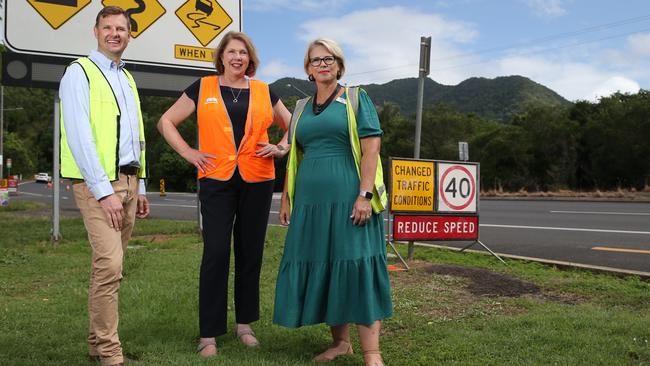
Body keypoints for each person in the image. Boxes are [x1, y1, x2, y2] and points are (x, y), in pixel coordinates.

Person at [157, 31, 291, 357]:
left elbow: (294, 124)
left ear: (250, 59)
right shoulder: (202, 87)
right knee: (216, 253)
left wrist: (280, 147)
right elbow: (166, 121)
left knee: (250, 253)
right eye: (232, 52)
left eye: (243, 53)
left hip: (257, 179)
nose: (237, 58)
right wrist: (189, 153)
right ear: (222, 56)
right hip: (216, 180)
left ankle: (245, 325)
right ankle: (208, 334)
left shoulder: (264, 91)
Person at [274, 38, 392, 366]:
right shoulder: (299, 108)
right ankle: (340, 343)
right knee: (327, 266)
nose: (323, 64)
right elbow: (294, 157)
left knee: (355, 266)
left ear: (339, 65)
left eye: (329, 59)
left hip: (349, 199)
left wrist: (364, 195)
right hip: (310, 204)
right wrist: (286, 198)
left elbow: (371, 149)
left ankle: (372, 353)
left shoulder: (355, 98)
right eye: (316, 60)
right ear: (308, 69)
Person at [59, 6, 149, 366]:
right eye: (108, 27)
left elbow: (136, 138)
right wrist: (105, 191)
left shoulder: (127, 78)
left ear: (129, 35)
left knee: (111, 266)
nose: (115, 33)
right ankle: (111, 352)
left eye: (122, 28)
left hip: (128, 179)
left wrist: (140, 186)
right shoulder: (79, 73)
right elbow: (80, 136)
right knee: (110, 265)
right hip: (100, 184)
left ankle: (97, 344)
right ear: (95, 31)